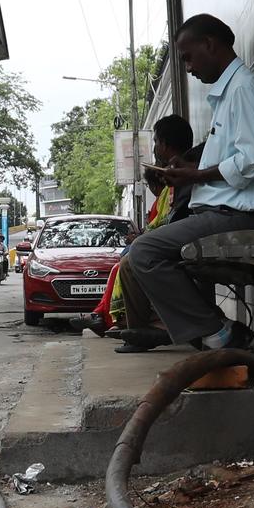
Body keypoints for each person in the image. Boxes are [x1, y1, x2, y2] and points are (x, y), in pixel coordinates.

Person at [122, 14, 254, 352]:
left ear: (210, 44)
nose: (188, 68)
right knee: (146, 251)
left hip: (240, 216)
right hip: (222, 212)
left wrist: (195, 175)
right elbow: (234, 157)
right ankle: (212, 331)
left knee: (145, 252)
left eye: (188, 57)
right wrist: (191, 168)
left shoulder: (243, 89)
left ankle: (216, 332)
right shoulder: (230, 94)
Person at [70, 114, 196, 343]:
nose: (155, 148)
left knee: (132, 258)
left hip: (190, 236)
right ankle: (128, 324)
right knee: (129, 257)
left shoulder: (184, 174)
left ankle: (138, 325)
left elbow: (175, 218)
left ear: (166, 144)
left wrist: (145, 237)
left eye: (157, 142)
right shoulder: (178, 173)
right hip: (182, 233)